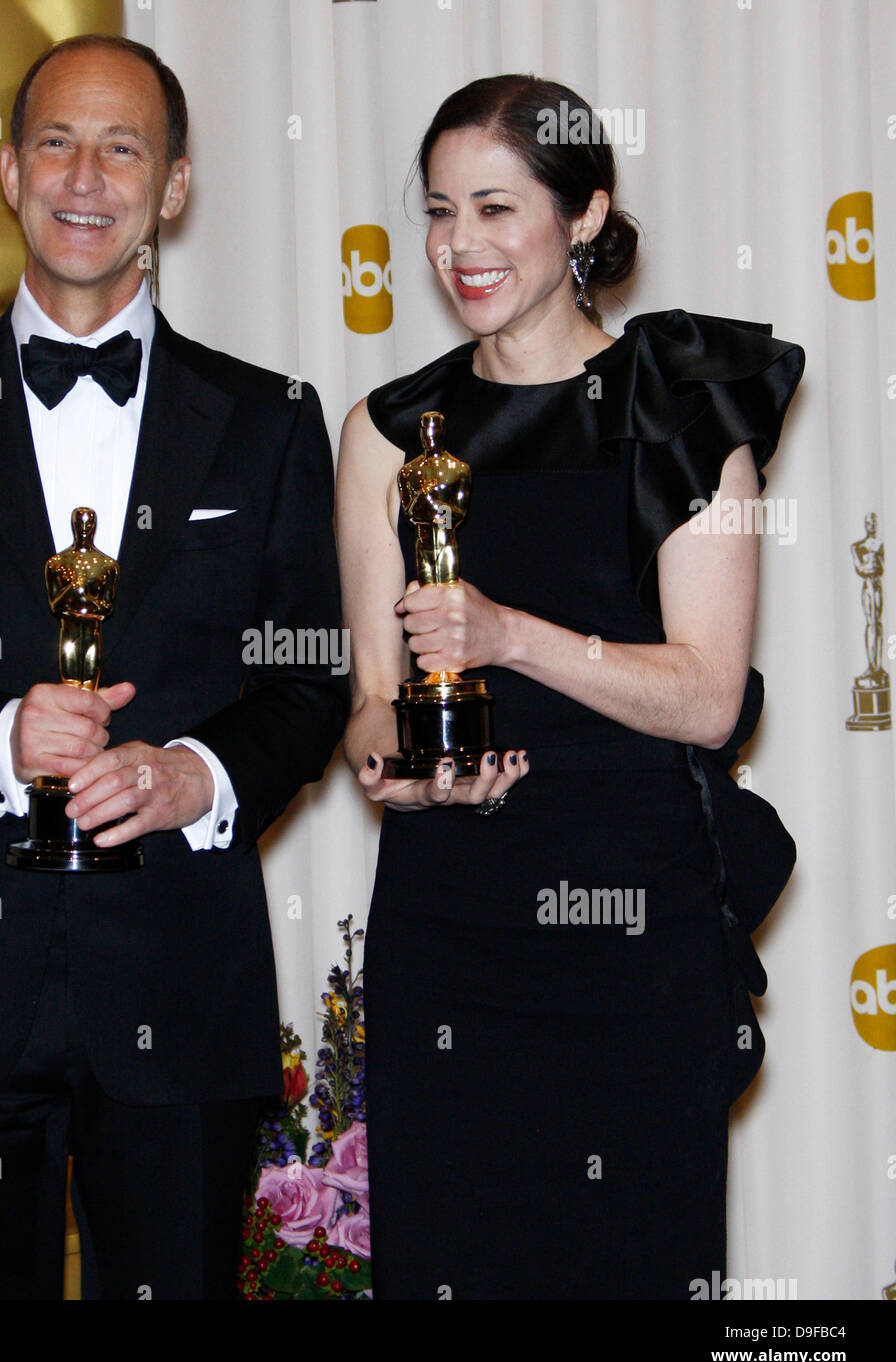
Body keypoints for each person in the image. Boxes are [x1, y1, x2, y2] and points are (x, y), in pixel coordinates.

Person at [0, 34, 346, 1299]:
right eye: (57, 140)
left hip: (180, 990)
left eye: (124, 145)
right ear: (6, 167)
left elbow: (309, 676)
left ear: (177, 184)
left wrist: (196, 777)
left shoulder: (271, 421)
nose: (85, 176)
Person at [336, 74, 803, 1299]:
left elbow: (705, 697)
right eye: (440, 212)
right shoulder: (387, 433)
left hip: (627, 923)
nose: (459, 246)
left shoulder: (684, 417)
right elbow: (372, 700)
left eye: (496, 208)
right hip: (450, 919)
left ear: (585, 213)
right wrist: (398, 770)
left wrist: (507, 634)